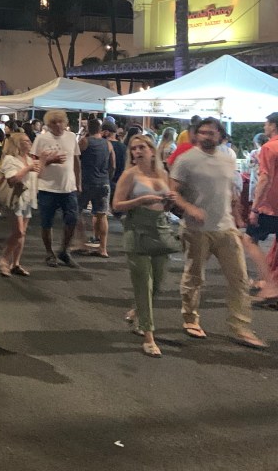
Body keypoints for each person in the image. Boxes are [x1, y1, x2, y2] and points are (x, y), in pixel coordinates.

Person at [170, 117, 267, 349]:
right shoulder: (186, 160)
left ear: (220, 136)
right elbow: (172, 192)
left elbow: (230, 191)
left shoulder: (227, 159)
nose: (206, 136)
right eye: (202, 132)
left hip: (226, 228)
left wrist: (237, 216)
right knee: (194, 277)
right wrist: (189, 208)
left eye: (211, 133)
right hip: (196, 230)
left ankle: (241, 327)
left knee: (240, 279)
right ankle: (190, 318)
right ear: (196, 134)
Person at [112, 135, 176, 358]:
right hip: (137, 230)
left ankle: (137, 311)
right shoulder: (130, 175)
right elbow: (116, 205)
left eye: (141, 147)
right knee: (143, 285)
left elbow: (165, 207)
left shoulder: (163, 174)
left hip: (160, 230)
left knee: (157, 284)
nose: (137, 151)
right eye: (133, 148)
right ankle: (148, 335)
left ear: (152, 150)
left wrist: (169, 200)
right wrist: (140, 201)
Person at [32, 109, 82, 268]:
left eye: (60, 122)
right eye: (53, 122)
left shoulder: (71, 137)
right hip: (47, 188)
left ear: (65, 122)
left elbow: (76, 161)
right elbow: (34, 163)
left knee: (72, 219)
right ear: (48, 124)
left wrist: (78, 182)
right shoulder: (41, 139)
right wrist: (49, 160)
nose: (58, 125)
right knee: (47, 222)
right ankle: (49, 253)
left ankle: (64, 250)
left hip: (68, 187)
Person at [0, 132, 41, 278]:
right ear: (17, 144)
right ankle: (3, 258)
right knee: (18, 232)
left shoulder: (30, 159)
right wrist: (28, 168)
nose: (29, 143)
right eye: (26, 141)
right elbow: (12, 179)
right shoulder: (10, 159)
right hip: (16, 198)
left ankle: (15, 263)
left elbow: (36, 176)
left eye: (29, 141)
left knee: (22, 233)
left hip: (28, 198)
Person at [247, 112, 278, 300]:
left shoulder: (269, 148)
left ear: (273, 126)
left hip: (270, 206)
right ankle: (270, 283)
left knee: (249, 240)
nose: (264, 127)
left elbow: (265, 178)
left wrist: (255, 207)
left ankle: (269, 285)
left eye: (266, 124)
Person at [78, 118, 115, 258]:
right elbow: (113, 165)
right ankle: (103, 248)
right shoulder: (108, 144)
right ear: (100, 129)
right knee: (102, 215)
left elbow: (76, 160)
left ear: (88, 128)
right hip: (103, 182)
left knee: (77, 211)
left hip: (86, 182)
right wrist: (107, 178)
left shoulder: (84, 142)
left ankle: (81, 243)